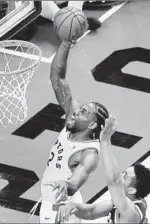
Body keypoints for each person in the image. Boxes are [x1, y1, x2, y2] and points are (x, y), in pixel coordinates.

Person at [29, 39, 109, 223]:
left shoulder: (89, 153)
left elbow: (77, 181)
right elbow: (57, 78)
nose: (76, 111)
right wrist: (65, 43)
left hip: (64, 211)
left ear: (91, 125)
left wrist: (67, 185)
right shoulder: (72, 120)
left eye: (84, 112)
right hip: (50, 202)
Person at [56, 116, 150, 224]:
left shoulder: (131, 213)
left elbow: (114, 181)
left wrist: (105, 142)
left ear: (132, 190)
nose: (120, 174)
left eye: (125, 176)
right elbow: (91, 212)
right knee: (69, 215)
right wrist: (73, 207)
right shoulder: (125, 201)